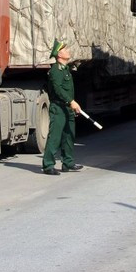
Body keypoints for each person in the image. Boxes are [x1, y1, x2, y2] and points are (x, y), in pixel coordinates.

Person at [41, 39, 84, 175]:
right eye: (65, 49)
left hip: (67, 107)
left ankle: (68, 163)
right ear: (59, 54)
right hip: (59, 107)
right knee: (55, 136)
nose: (68, 51)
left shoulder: (65, 69)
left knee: (69, 135)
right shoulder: (55, 70)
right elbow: (58, 89)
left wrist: (71, 104)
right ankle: (48, 165)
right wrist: (71, 101)